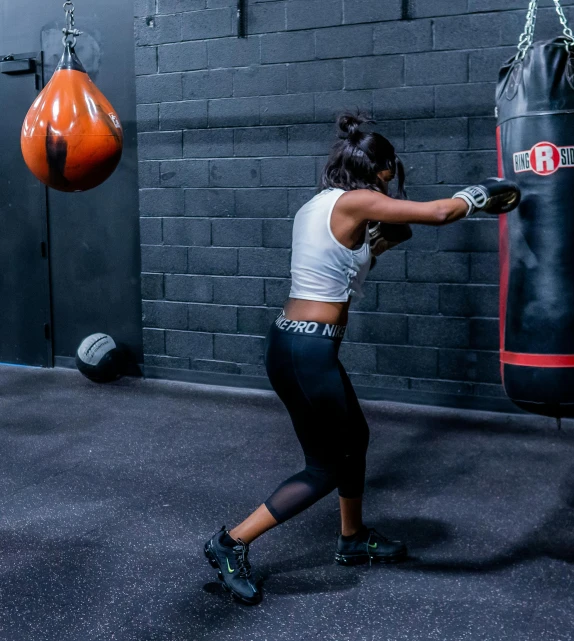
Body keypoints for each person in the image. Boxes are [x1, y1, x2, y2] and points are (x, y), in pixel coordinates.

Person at [203, 113, 521, 605]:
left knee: (357, 439)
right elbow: (438, 214)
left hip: (295, 343)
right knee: (325, 467)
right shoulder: (358, 200)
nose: (394, 179)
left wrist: (380, 241)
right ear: (381, 168)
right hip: (307, 351)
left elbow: (346, 258)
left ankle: (351, 539)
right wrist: (480, 194)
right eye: (392, 170)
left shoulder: (321, 206)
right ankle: (231, 543)